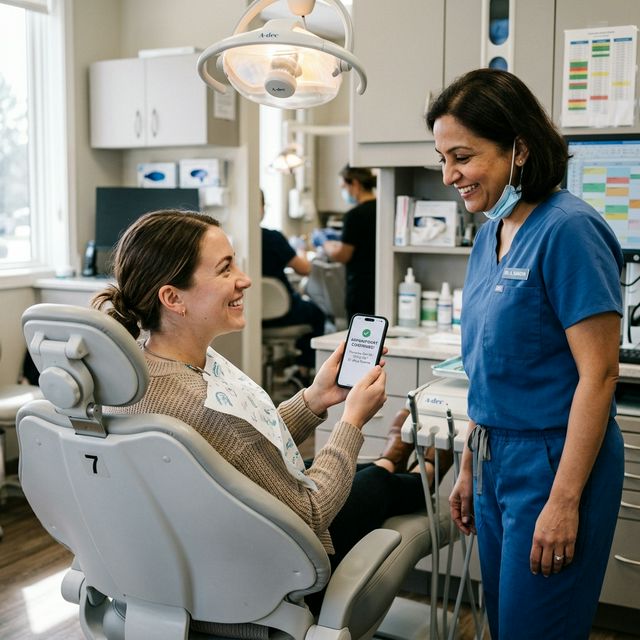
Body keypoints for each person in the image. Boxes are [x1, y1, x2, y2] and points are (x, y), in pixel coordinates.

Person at [92, 209, 444, 635]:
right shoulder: (202, 405)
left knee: (366, 472)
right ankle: (418, 467)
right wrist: (352, 420)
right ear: (173, 298)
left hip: (181, 574)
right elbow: (312, 518)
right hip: (261, 587)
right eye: (225, 269)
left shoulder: (137, 375)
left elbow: (243, 445)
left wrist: (315, 399)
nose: (245, 279)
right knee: (374, 483)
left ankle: (393, 458)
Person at [426, 68, 624, 640]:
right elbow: (487, 368)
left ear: (519, 149)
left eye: (462, 156)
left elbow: (600, 374)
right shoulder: (490, 233)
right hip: (493, 456)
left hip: (554, 462)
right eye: (442, 158)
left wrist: (564, 500)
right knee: (506, 621)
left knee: (539, 627)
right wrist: (468, 466)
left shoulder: (569, 230)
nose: (449, 175)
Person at [260, 190, 325, 382]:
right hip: (283, 314)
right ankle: (304, 370)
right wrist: (301, 249)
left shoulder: (233, 240)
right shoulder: (272, 238)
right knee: (317, 314)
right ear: (261, 207)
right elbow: (304, 269)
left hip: (251, 316)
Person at [321, 165, 377, 319]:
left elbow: (343, 255)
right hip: (380, 284)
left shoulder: (355, 215)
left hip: (361, 288)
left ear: (355, 184)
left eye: (343, 186)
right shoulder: (383, 208)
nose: (343, 192)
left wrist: (324, 243)